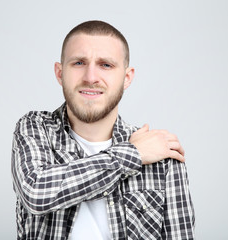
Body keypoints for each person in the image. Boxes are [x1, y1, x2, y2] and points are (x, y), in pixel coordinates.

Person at [11, 20, 195, 240]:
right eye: (79, 63)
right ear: (60, 73)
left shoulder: (162, 155)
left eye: (106, 65)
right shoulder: (34, 128)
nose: (90, 77)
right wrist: (133, 154)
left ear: (126, 78)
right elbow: (36, 193)